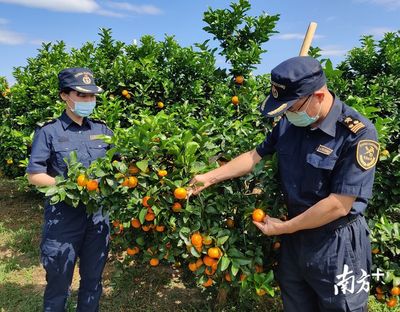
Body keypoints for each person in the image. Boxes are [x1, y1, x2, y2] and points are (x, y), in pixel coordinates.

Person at [190, 56, 379, 312]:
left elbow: (339, 205)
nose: (288, 113)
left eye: (291, 106)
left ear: (319, 96)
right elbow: (254, 156)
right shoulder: (289, 123)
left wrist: (286, 228)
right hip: (295, 238)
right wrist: (210, 176)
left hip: (336, 244)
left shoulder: (357, 134)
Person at [26, 68, 113, 312]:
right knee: (58, 282)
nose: (88, 101)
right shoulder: (49, 131)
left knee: (93, 280)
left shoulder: (102, 131)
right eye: (81, 95)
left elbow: (121, 167)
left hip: (98, 219)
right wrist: (68, 186)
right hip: (63, 219)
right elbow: (35, 175)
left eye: (92, 96)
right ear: (65, 95)